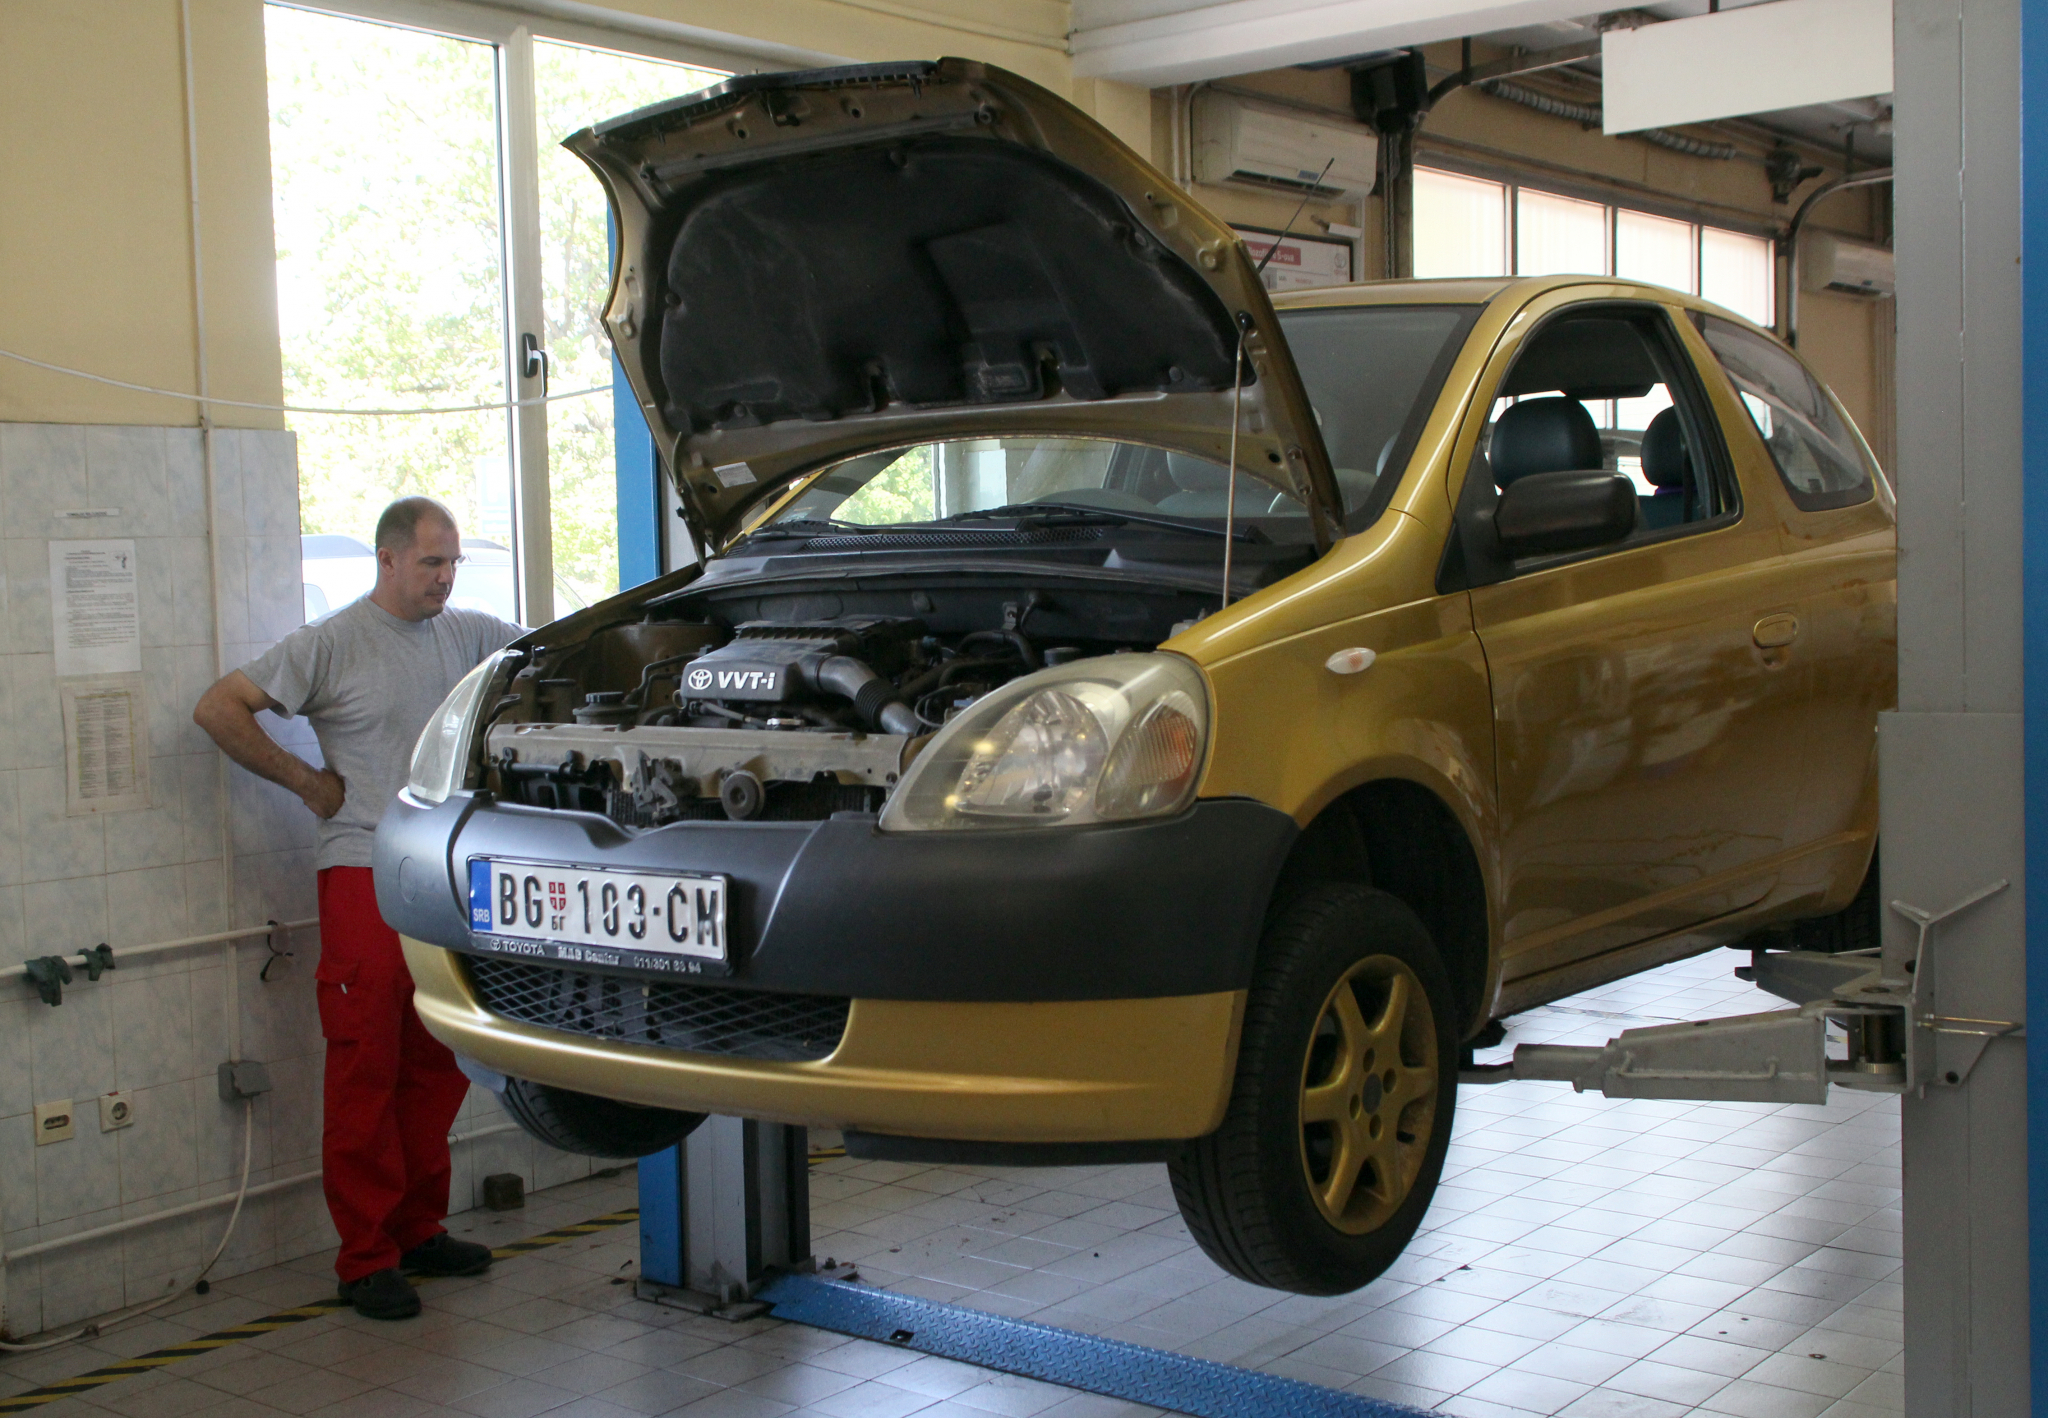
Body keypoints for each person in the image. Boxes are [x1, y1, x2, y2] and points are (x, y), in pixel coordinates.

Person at [194, 496, 525, 1320]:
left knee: (437, 1059)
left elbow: (550, 656)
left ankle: (419, 1230)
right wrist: (311, 785)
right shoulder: (332, 642)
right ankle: (365, 1256)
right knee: (365, 1065)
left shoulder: (471, 635)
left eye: (452, 564)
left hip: (443, 876)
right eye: (430, 564)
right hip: (364, 872)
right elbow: (218, 708)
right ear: (386, 560)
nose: (444, 579)